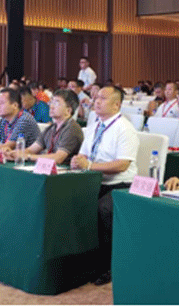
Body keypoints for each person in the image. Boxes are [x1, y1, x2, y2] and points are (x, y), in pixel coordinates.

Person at [70, 86, 139, 286]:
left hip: (121, 184)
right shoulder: (94, 126)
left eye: (103, 98)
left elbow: (122, 164)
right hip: (94, 180)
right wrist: (78, 160)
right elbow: (84, 154)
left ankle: (107, 266)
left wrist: (89, 165)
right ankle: (81, 261)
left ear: (117, 104)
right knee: (71, 202)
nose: (97, 101)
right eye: (96, 97)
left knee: (103, 209)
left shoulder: (125, 129)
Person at [8, 89, 84, 165]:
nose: (51, 106)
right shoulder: (51, 128)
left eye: (56, 103)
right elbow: (31, 149)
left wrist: (28, 156)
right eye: (51, 102)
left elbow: (58, 158)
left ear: (68, 111)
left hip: (66, 171)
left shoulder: (72, 129)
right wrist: (13, 153)